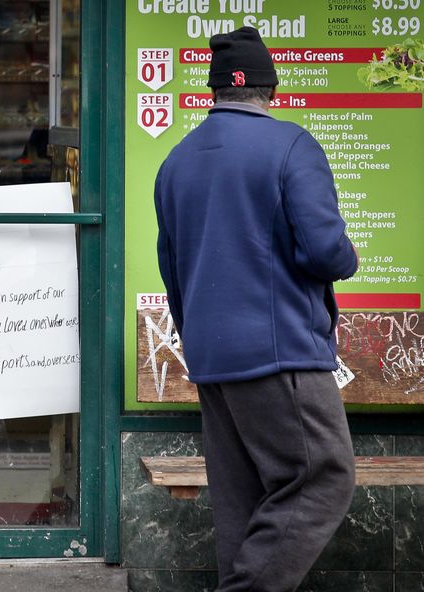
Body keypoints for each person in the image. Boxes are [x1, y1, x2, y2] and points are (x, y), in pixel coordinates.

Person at [153, 27, 359, 591]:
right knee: (324, 476)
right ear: (271, 87)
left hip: (212, 356)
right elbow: (324, 250)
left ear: (213, 90)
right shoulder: (292, 144)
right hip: (282, 351)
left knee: (240, 499)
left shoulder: (176, 162)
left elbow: (172, 270)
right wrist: (349, 256)